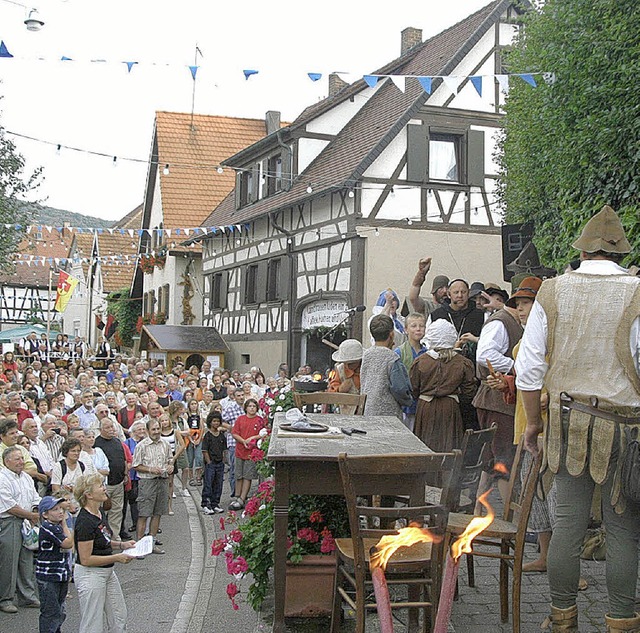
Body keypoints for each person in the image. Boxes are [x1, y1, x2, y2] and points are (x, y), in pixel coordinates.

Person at [516, 206, 640, 633]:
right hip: (628, 429)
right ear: (620, 251)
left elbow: (528, 371)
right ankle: (622, 622)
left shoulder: (550, 291)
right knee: (623, 527)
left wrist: (533, 424)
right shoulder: (639, 291)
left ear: (583, 251)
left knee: (567, 525)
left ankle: (562, 619)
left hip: (568, 423)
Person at [472, 282, 524, 505]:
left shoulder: (510, 321)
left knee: (492, 459)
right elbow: (484, 355)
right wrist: (516, 365)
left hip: (497, 401)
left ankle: (476, 511)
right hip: (496, 401)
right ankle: (513, 520)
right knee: (504, 461)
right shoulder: (501, 322)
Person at [73, 473, 135, 633]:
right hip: (91, 575)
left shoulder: (99, 513)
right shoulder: (85, 521)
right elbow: (86, 559)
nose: (104, 488)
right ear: (89, 494)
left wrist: (122, 545)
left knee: (119, 616)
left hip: (107, 572)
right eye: (100, 486)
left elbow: (104, 541)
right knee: (93, 623)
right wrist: (117, 557)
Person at [410, 320, 477, 453]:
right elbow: (469, 391)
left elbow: (413, 388)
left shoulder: (420, 361)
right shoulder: (463, 363)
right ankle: (447, 473)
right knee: (448, 446)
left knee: (426, 445)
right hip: (450, 408)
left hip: (426, 408)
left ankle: (427, 473)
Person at [0, 445, 41, 613]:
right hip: (10, 522)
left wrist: (35, 512)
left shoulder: (25, 477)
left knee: (26, 559)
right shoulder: (2, 478)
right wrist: (30, 516)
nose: (21, 462)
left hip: (27, 521)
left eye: (22, 458)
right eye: (17, 459)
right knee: (9, 561)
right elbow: (9, 505)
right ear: (6, 461)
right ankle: (5, 598)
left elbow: (35, 498)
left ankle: (27, 596)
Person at [360, 314, 413, 420]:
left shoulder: (367, 354)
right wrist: (408, 400)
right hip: (389, 414)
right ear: (391, 334)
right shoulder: (392, 358)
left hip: (368, 411)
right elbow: (400, 388)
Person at [132, 419, 172, 555]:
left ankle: (152, 544)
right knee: (144, 513)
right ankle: (139, 547)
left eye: (158, 429)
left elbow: (169, 460)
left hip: (162, 480)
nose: (156, 432)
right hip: (147, 482)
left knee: (158, 513)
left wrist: (170, 466)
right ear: (148, 431)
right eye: (153, 429)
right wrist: (150, 469)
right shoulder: (141, 446)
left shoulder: (165, 444)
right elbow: (135, 465)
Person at [36, 495, 73, 633]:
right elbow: (68, 543)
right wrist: (64, 524)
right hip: (49, 577)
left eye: (61, 509)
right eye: (55, 509)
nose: (60, 512)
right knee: (50, 612)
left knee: (59, 610)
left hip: (60, 574)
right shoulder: (49, 527)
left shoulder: (55, 527)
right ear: (45, 514)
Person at [93, 419, 127, 541]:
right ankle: (102, 537)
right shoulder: (97, 444)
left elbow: (123, 459)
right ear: (101, 429)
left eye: (112, 427)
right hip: (104, 484)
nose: (111, 430)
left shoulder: (117, 441)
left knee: (117, 510)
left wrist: (125, 474)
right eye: (107, 428)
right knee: (101, 510)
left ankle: (115, 535)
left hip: (119, 482)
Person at [228, 398, 264, 510]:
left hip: (252, 452)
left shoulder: (259, 420)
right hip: (240, 450)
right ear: (246, 408)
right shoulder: (240, 419)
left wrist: (253, 438)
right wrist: (243, 441)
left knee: (247, 475)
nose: (252, 408)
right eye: (250, 406)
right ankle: (237, 496)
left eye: (254, 406)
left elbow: (263, 433)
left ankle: (242, 498)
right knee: (238, 475)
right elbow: (234, 433)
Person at [394, 312, 427, 431]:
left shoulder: (427, 353)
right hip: (405, 405)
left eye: (421, 326)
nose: (418, 329)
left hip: (423, 404)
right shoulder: (399, 352)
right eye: (413, 326)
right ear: (406, 329)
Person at [159, 412, 187, 515]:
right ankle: (161, 505)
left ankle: (169, 506)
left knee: (170, 483)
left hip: (172, 457)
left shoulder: (175, 432)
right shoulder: (158, 432)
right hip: (161, 458)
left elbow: (182, 445)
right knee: (161, 483)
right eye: (162, 421)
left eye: (166, 420)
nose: (164, 422)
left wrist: (175, 457)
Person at [200, 411, 227, 514]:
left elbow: (224, 449)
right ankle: (206, 504)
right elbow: (205, 450)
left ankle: (215, 503)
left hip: (220, 463)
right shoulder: (207, 436)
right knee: (208, 483)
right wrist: (209, 462)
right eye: (214, 421)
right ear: (210, 422)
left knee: (218, 484)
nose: (216, 423)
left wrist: (223, 460)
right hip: (211, 463)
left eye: (217, 421)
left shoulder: (221, 435)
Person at [184, 398, 204, 486]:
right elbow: (186, 427)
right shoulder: (186, 415)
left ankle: (198, 476)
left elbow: (202, 427)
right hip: (190, 437)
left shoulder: (200, 414)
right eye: (192, 404)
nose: (194, 406)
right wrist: (191, 439)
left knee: (199, 458)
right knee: (190, 458)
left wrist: (199, 439)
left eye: (195, 404)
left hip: (198, 436)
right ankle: (191, 477)